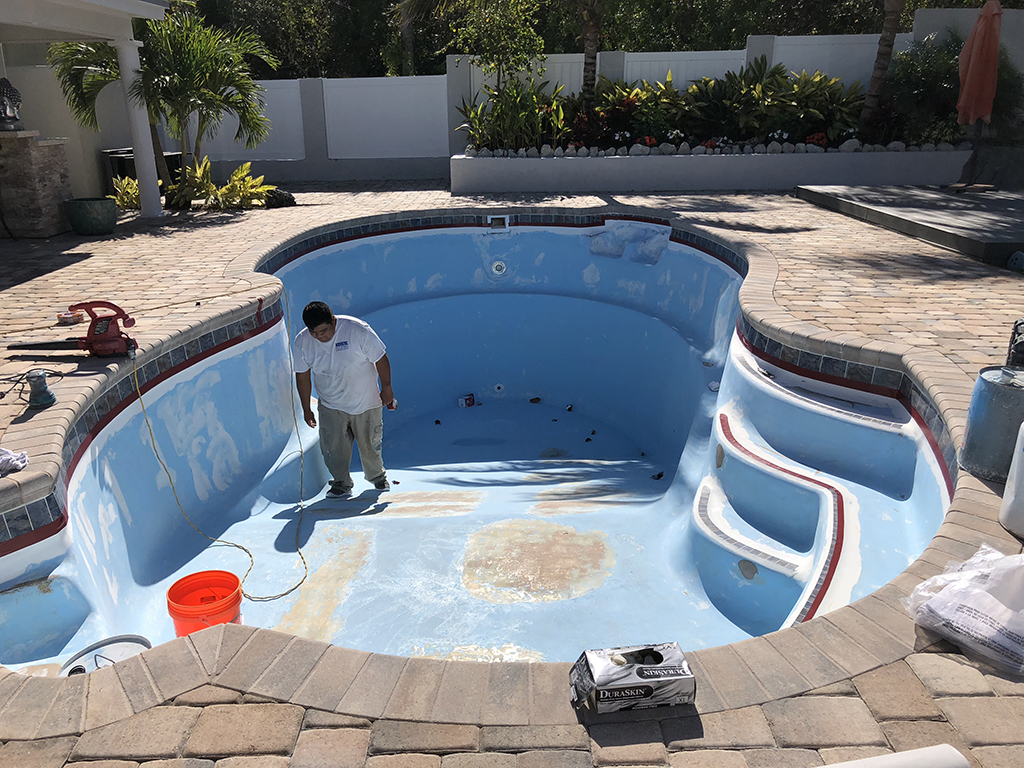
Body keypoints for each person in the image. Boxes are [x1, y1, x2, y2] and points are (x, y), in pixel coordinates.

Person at [293, 301, 394, 498]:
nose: (319, 336)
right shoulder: (302, 341)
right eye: (314, 332)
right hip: (331, 403)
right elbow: (302, 375)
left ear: (333, 321)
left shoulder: (357, 330)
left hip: (365, 401)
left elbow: (380, 357)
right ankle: (341, 483)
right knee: (333, 447)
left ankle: (377, 478)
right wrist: (306, 408)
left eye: (323, 330)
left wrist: (387, 388)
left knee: (370, 444)